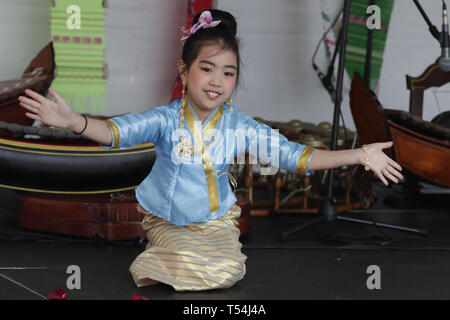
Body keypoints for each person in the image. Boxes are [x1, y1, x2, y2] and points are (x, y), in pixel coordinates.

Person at [18, 9, 403, 291]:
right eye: (207, 68)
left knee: (228, 272)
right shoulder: (166, 119)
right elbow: (118, 132)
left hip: (215, 223)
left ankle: (185, 259)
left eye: (228, 72)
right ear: (185, 73)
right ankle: (161, 252)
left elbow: (296, 156)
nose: (217, 81)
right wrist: (74, 121)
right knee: (194, 268)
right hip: (169, 220)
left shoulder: (240, 126)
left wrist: (358, 155)